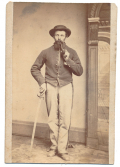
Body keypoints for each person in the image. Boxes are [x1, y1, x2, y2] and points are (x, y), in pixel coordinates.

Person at [31, 25, 83, 161]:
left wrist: (68, 60)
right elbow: (35, 68)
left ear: (66, 37)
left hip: (66, 86)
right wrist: (42, 82)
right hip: (50, 86)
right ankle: (53, 147)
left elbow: (79, 71)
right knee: (52, 118)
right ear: (54, 36)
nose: (59, 37)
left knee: (65, 119)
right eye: (57, 35)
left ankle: (62, 149)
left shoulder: (72, 52)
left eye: (62, 35)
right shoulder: (45, 52)